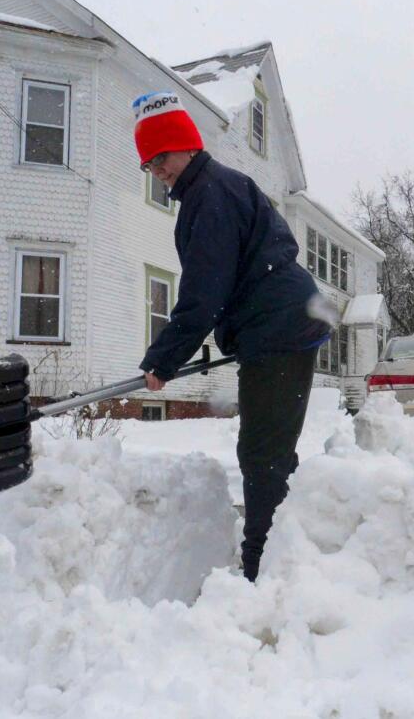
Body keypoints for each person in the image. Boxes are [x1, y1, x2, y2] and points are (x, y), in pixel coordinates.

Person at [132, 90, 330, 582]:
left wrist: (163, 360)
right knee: (270, 450)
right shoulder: (216, 188)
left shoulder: (210, 195)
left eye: (162, 156)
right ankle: (285, 548)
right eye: (149, 164)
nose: (158, 169)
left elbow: (205, 293)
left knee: (262, 454)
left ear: (187, 145)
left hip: (278, 329)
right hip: (280, 323)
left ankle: (262, 566)